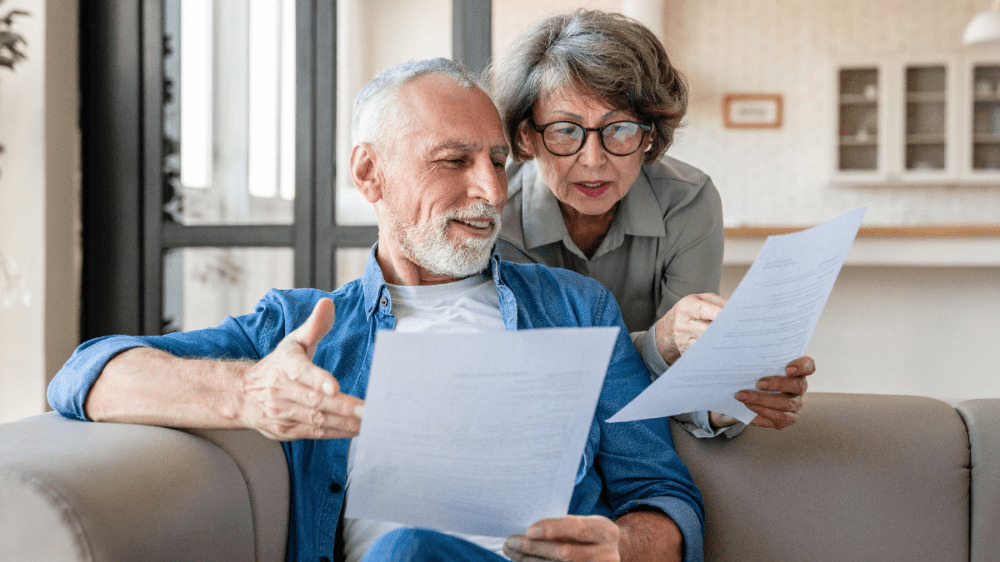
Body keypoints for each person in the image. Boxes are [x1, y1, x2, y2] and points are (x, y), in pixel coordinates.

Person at [48, 59, 704, 562]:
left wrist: (624, 545)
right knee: (407, 551)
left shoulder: (578, 309)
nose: (491, 190)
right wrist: (248, 393)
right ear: (370, 174)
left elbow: (663, 498)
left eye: (498, 161)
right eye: (455, 161)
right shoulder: (302, 328)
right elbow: (85, 375)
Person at [490, 9, 814, 437]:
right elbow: (541, 374)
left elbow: (690, 375)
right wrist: (660, 342)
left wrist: (724, 403)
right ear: (526, 136)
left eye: (620, 129)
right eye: (565, 130)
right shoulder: (495, 213)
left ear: (649, 135)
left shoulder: (689, 201)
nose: (593, 160)